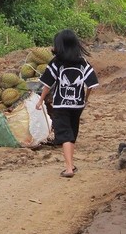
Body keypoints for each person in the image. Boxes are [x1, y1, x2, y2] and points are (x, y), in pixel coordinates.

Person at [35, 29, 98, 177]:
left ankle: (69, 168)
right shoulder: (83, 63)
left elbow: (47, 85)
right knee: (72, 133)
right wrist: (85, 99)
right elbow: (91, 85)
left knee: (64, 134)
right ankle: (71, 164)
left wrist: (40, 100)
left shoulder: (57, 63)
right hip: (77, 105)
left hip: (60, 104)